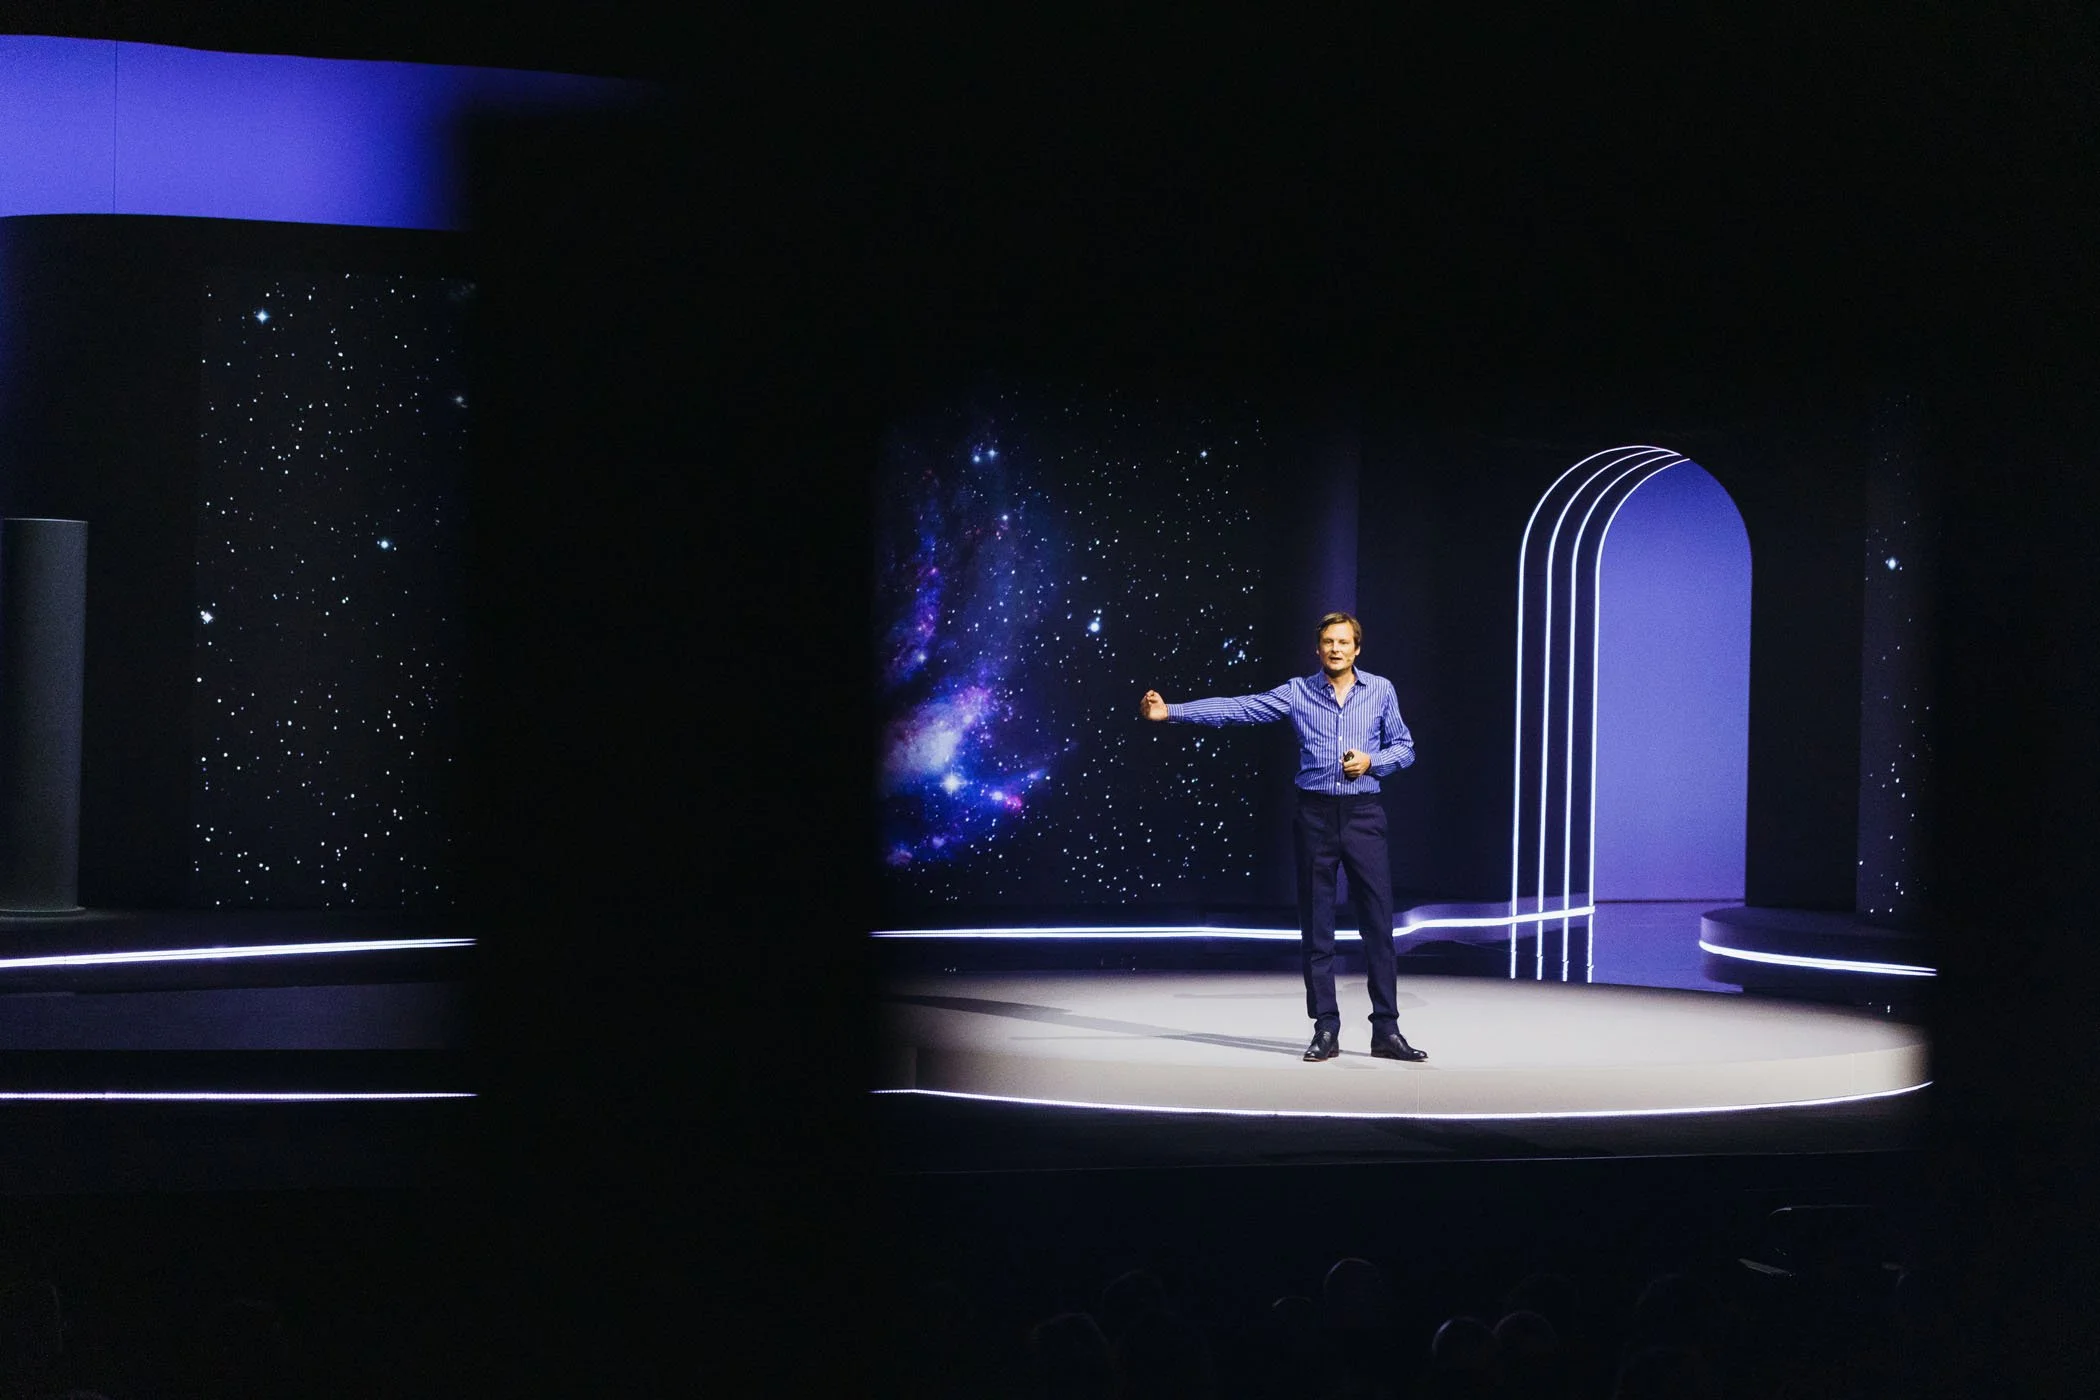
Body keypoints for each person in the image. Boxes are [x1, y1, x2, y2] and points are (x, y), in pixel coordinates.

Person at [1141, 611, 1426, 1062]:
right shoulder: (1298, 692)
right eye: (1328, 642)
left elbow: (1406, 748)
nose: (1335, 649)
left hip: (1364, 814)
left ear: (1357, 649)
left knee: (1378, 925)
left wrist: (1373, 762)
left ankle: (1386, 1030)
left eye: (1343, 642)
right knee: (1318, 929)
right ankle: (1326, 1028)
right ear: (1318, 649)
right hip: (1314, 816)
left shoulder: (1381, 691)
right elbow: (1239, 709)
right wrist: (1171, 711)